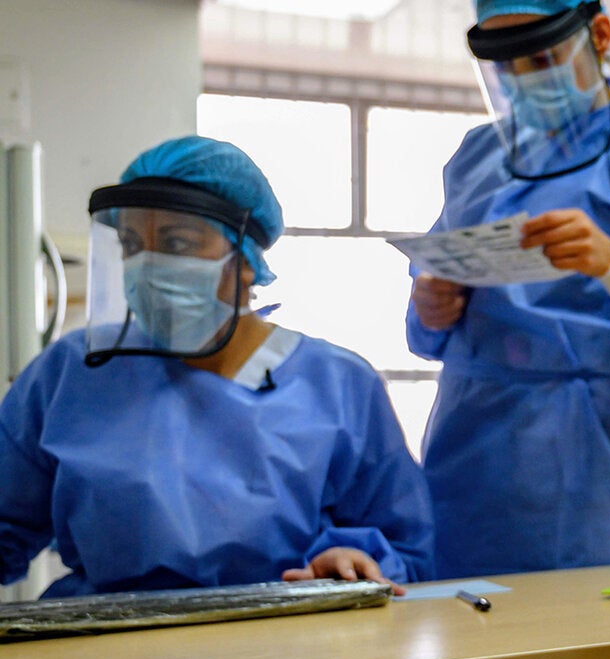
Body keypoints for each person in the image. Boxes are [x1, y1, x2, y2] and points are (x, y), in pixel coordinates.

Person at [0, 135, 435, 597]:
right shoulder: (73, 372)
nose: (148, 268)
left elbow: (405, 550)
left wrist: (352, 566)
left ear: (245, 261)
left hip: (284, 645)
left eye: (178, 243)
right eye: (131, 245)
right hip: (102, 643)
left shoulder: (339, 385)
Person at [406, 0, 610, 578]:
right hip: (476, 439)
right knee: (467, 627)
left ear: (601, 35)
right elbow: (437, 296)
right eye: (507, 65)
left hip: (603, 453)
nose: (524, 79)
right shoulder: (479, 156)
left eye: (540, 56)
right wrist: (430, 308)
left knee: (604, 631)